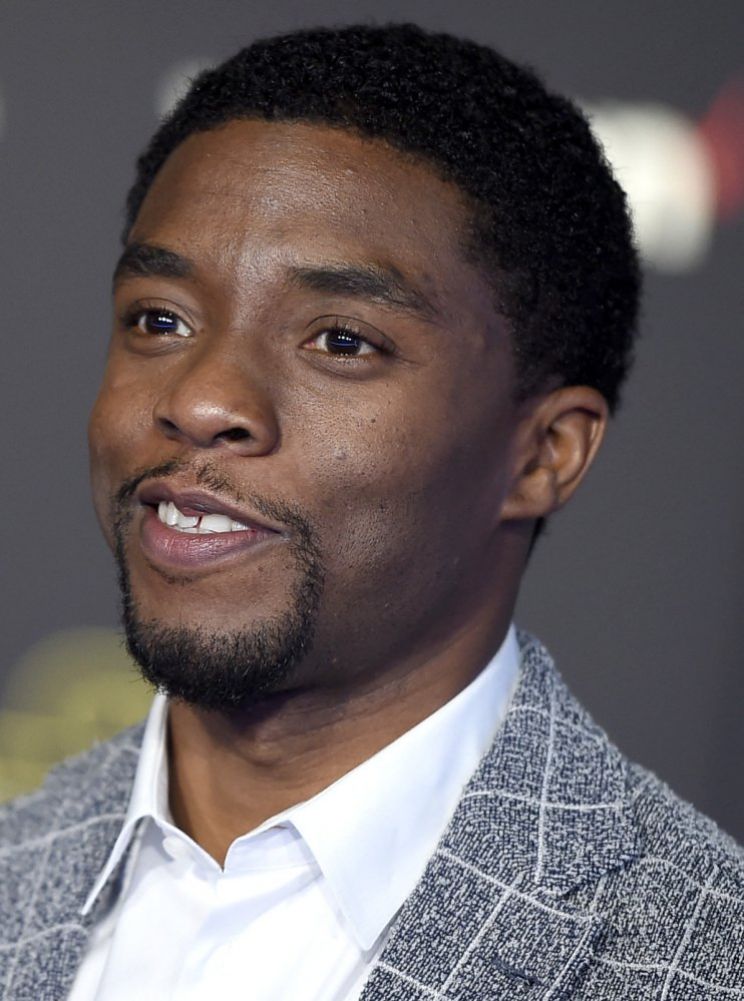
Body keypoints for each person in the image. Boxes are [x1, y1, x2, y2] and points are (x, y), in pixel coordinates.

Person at [1, 22, 741, 1001]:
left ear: (543, 453)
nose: (202, 398)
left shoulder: (696, 958)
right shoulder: (16, 863)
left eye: (342, 341)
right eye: (160, 319)